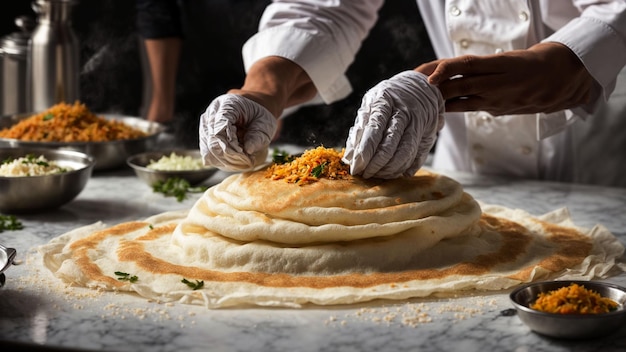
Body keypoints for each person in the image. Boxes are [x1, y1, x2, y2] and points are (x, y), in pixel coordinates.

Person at [199, 1, 626, 185]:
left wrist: (571, 59)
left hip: (595, 165)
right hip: (465, 165)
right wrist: (263, 88)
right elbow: (326, 4)